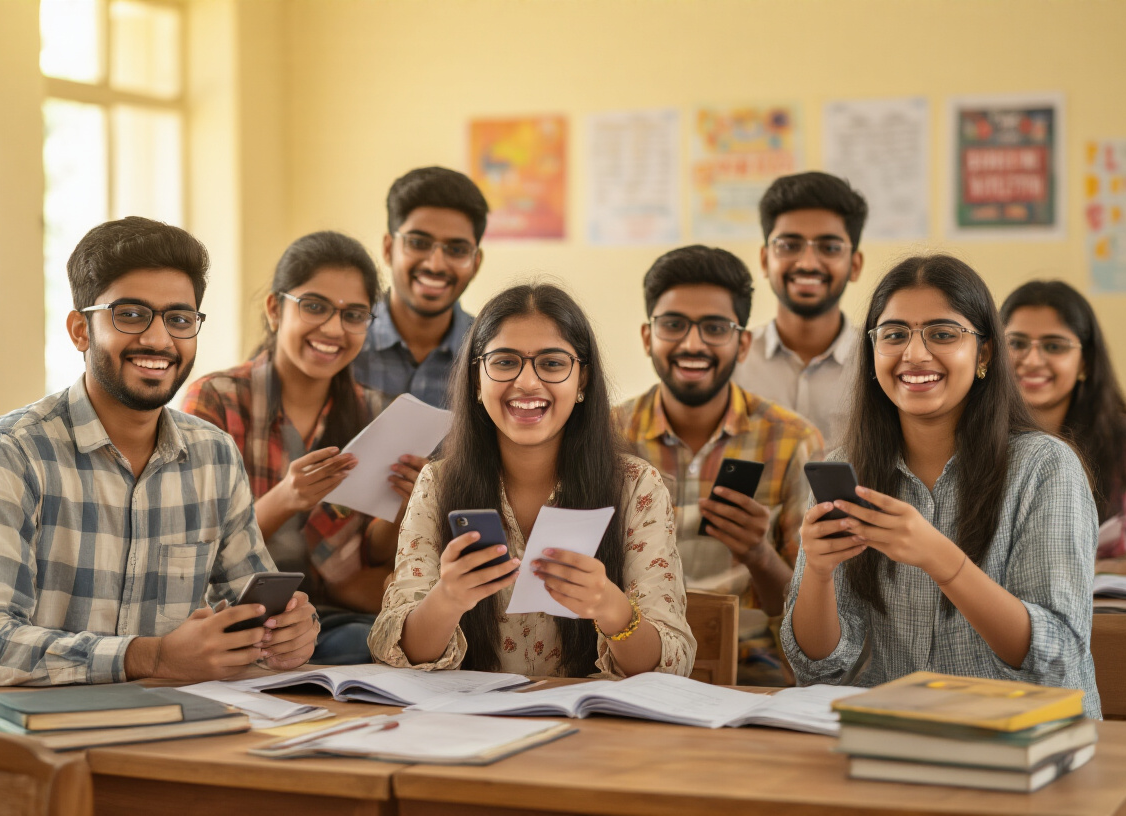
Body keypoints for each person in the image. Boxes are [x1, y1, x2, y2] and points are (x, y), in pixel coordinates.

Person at [0, 217, 318, 686]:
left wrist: (290, 632)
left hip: (168, 725)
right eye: (131, 314)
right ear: (81, 330)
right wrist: (151, 657)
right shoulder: (13, 452)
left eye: (179, 319)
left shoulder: (214, 457)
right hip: (31, 737)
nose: (159, 340)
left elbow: (252, 604)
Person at [781, 254, 1102, 717]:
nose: (914, 354)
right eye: (893, 335)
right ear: (873, 354)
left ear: (985, 352)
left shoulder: (1045, 467)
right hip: (899, 738)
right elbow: (818, 668)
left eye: (943, 334)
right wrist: (818, 570)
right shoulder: (846, 470)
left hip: (1029, 742)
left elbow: (1055, 661)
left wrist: (939, 558)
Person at [369, 282, 696, 677]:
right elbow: (394, 654)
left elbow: (670, 665)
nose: (527, 383)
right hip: (470, 726)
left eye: (552, 363)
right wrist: (448, 599)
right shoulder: (436, 485)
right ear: (476, 380)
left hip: (594, 730)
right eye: (505, 362)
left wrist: (610, 609)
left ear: (583, 381)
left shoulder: (636, 486)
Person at [183, 232, 426, 664]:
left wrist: (406, 504)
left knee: (384, 643)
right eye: (314, 306)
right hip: (236, 609)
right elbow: (198, 549)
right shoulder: (217, 399)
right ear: (275, 309)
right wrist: (287, 498)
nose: (333, 329)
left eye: (354, 315)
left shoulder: (378, 411)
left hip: (334, 612)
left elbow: (373, 557)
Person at [614, 246, 822, 684]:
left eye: (714, 328)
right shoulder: (605, 435)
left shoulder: (791, 440)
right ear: (647, 336)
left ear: (742, 343)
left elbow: (818, 611)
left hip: (752, 670)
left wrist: (759, 555)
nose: (693, 344)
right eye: (673, 325)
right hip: (627, 665)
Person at [1001, 280, 1126, 576]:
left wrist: (1097, 568)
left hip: (1110, 621)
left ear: (1085, 362)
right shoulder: (969, 438)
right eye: (1016, 343)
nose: (1032, 360)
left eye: (1054, 346)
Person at [733, 171, 868, 450]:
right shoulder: (733, 362)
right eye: (789, 246)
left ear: (854, 264)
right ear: (764, 259)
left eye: (829, 247)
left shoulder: (879, 363)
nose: (807, 263)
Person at [351, 166, 489, 407]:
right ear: (387, 249)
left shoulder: (490, 356)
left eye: (457, 250)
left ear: (476, 263)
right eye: (418, 243)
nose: (435, 265)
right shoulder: (344, 341)